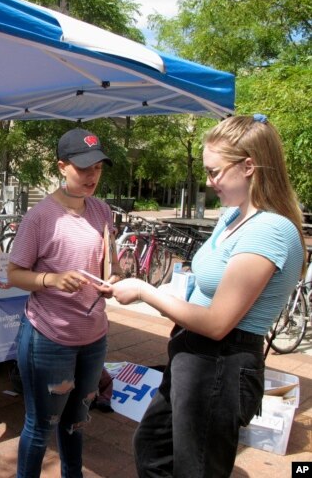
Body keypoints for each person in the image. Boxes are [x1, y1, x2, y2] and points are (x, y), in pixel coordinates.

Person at [101, 115, 306, 477]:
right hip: (192, 354)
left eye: (215, 172)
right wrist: (171, 296)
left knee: (195, 469)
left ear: (248, 166)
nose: (209, 183)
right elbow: (204, 285)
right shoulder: (232, 218)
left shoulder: (269, 230)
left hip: (220, 363)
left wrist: (146, 291)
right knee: (152, 448)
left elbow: (216, 324)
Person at [7, 127, 122, 478]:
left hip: (93, 337)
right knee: (41, 426)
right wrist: (51, 280)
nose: (92, 176)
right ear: (61, 167)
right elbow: (14, 273)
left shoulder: (102, 211)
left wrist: (112, 280)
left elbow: (111, 265)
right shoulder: (41, 217)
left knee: (76, 422)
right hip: (49, 337)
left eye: (98, 168)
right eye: (83, 168)